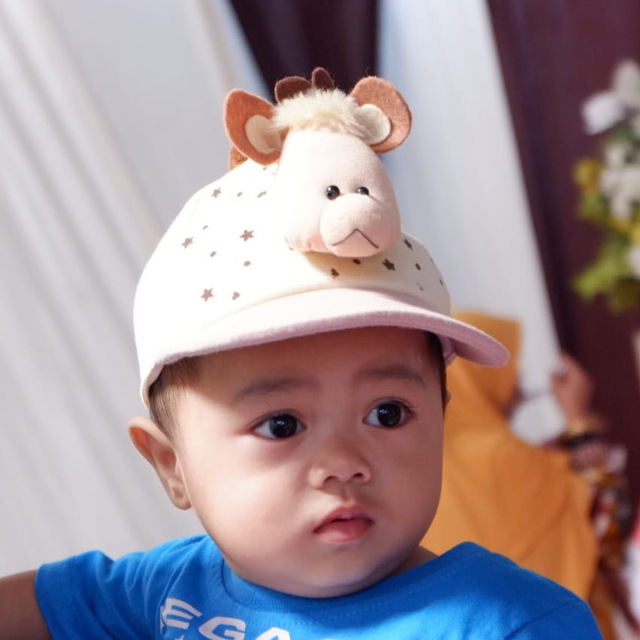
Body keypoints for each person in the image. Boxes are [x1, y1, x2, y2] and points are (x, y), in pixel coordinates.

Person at [0, 69, 602, 638]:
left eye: (388, 413)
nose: (344, 463)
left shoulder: (508, 623)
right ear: (172, 465)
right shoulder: (168, 588)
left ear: (442, 417)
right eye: (282, 425)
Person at [421, 310, 635, 639]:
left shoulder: (426, 468)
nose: (518, 387)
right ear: (478, 377)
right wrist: (578, 419)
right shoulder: (500, 457)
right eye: (508, 372)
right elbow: (606, 520)